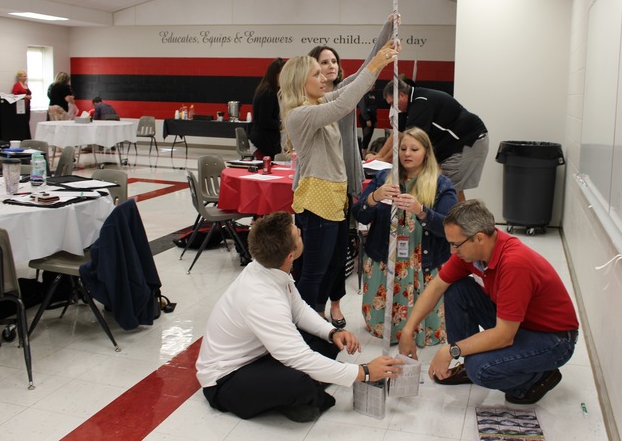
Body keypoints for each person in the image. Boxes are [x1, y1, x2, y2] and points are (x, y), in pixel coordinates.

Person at [196, 211, 403, 422]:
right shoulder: (261, 298)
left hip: (262, 354)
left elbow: (300, 310)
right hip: (226, 379)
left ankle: (302, 389)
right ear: (290, 255)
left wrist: (332, 332)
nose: (301, 232)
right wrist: (364, 372)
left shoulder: (267, 268)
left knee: (328, 341)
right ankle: (304, 393)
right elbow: (299, 357)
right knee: (299, 384)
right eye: (298, 235)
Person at [398, 200, 579, 405]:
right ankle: (470, 360)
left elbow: (504, 335)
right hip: (519, 323)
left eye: (455, 244)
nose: (452, 251)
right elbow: (437, 286)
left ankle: (537, 378)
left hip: (552, 340)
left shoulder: (514, 264)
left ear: (479, 238)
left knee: (480, 369)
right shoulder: (470, 251)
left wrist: (451, 350)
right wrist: (408, 330)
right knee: (456, 289)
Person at [280, 39, 400, 324]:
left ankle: (314, 321)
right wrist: (378, 62)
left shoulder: (319, 103)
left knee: (333, 266)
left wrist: (380, 52)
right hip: (317, 204)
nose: (324, 78)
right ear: (300, 81)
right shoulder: (301, 115)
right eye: (317, 74)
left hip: (332, 201)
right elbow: (346, 102)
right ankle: (305, 328)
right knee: (313, 272)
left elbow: (351, 87)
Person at [352, 127, 457, 346]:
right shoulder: (383, 178)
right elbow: (359, 213)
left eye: (414, 149)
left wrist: (421, 211)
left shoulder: (441, 185)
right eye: (402, 148)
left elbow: (450, 228)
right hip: (385, 258)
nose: (407, 153)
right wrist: (373, 197)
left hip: (421, 261)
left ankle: (415, 332)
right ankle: (388, 330)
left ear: (426, 152)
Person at [371, 79, 489, 202]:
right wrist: (381, 156)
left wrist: (386, 159)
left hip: (469, 142)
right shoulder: (410, 105)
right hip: (453, 144)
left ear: (401, 95)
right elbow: (399, 134)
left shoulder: (421, 102)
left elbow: (410, 140)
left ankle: (458, 220)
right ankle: (454, 219)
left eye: (392, 103)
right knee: (445, 186)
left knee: (448, 188)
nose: (393, 108)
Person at [249, 57, 286, 159]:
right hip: (263, 142)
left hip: (263, 140)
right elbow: (264, 120)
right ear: (275, 74)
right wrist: (282, 124)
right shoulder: (269, 92)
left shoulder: (267, 89)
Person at [358, 83, 379, 156]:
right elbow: (362, 108)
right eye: (372, 86)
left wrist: (375, 120)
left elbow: (375, 108)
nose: (373, 88)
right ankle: (362, 153)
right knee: (366, 136)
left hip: (372, 116)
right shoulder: (364, 94)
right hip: (366, 117)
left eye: (374, 86)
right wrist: (367, 119)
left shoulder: (372, 95)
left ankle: (365, 151)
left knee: (369, 136)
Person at [11, 70, 32, 138]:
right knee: (23, 121)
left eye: (26, 76)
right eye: (24, 76)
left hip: (27, 105)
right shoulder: (17, 85)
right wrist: (25, 96)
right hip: (21, 106)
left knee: (27, 120)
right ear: (19, 77)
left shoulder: (26, 85)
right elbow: (15, 95)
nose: (26, 78)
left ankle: (27, 137)